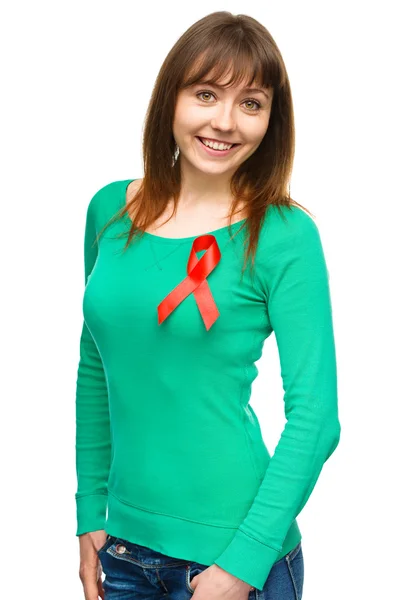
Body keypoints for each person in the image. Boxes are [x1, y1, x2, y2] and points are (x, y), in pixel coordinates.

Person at [75, 10, 341, 600]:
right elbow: (97, 363)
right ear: (171, 98)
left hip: (233, 556)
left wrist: (243, 565)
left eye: (251, 103)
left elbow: (316, 420)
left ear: (272, 119)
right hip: (122, 547)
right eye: (206, 94)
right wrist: (90, 509)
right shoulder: (108, 212)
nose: (225, 121)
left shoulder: (284, 235)